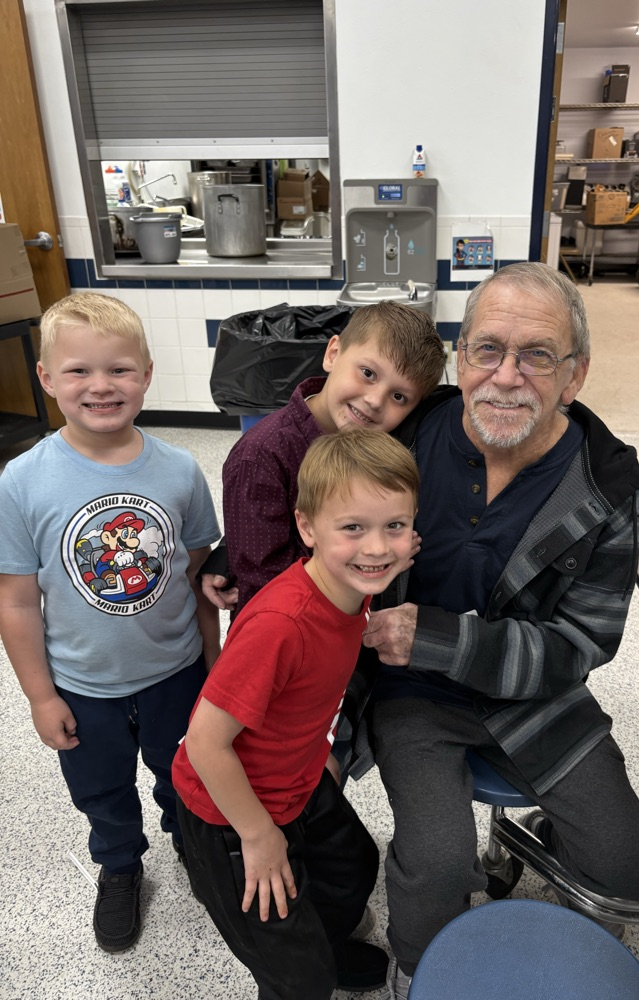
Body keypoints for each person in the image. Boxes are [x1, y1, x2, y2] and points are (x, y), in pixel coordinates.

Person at [357, 262, 639, 999]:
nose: (506, 376)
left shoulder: (606, 487)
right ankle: (420, 967)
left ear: (575, 375)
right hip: (413, 695)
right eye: (488, 349)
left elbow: (583, 644)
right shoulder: (406, 432)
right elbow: (311, 474)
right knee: (437, 864)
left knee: (635, 871)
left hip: (534, 697)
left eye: (537, 355)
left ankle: (545, 835)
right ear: (459, 356)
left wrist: (441, 638)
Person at [0, 292, 221, 954]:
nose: (101, 385)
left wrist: (215, 667)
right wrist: (40, 696)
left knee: (185, 774)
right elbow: (16, 601)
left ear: (147, 374)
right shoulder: (21, 481)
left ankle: (194, 846)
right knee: (99, 789)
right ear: (47, 378)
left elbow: (200, 578)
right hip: (81, 685)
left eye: (119, 369)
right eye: (79, 371)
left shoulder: (180, 471)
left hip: (175, 672)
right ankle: (120, 865)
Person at [172, 429, 420, 1000]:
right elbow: (206, 742)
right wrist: (258, 835)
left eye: (394, 526)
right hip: (229, 809)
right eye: (352, 528)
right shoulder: (281, 626)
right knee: (296, 977)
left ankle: (323, 948)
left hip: (296, 782)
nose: (376, 548)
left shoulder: (354, 582)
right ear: (307, 528)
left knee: (353, 867)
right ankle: (306, 971)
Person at [202, 300, 446, 617]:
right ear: (333, 354)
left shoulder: (388, 444)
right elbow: (264, 583)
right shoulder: (262, 455)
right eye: (368, 373)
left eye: (399, 396)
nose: (375, 401)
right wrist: (380, 564)